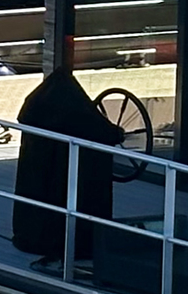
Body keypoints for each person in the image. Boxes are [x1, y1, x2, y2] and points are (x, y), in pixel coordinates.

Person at [10, 65, 124, 263]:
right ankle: (78, 241)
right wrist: (112, 133)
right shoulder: (79, 116)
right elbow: (97, 129)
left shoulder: (37, 109)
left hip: (38, 183)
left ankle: (39, 236)